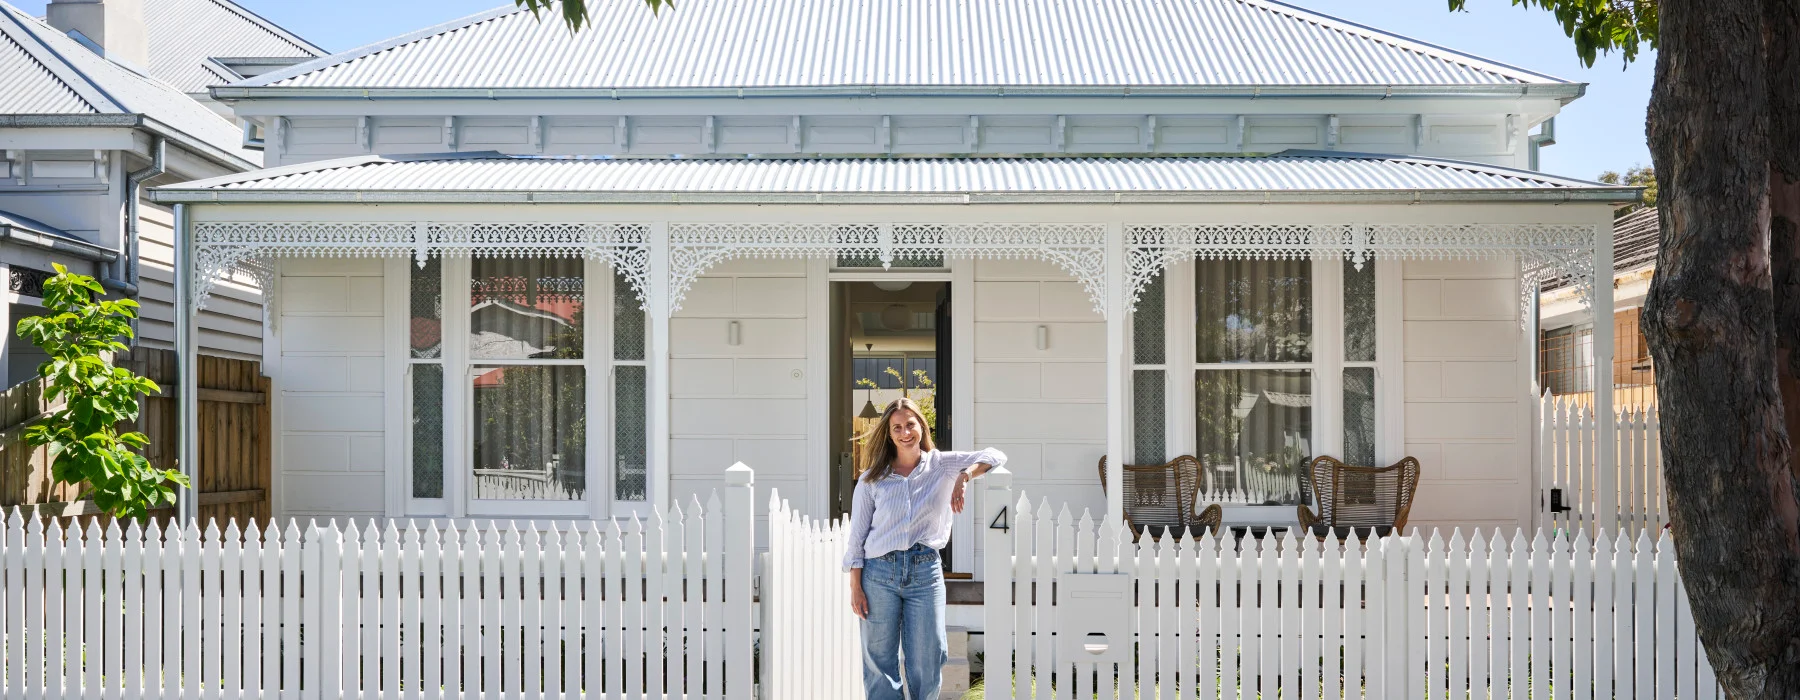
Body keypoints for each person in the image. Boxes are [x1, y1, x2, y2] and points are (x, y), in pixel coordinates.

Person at [843, 397, 1005, 700]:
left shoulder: (942, 464)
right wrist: (855, 585)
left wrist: (964, 475)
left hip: (924, 571)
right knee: (879, 661)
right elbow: (857, 536)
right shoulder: (871, 478)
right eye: (897, 428)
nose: (905, 433)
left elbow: (995, 455)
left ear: (921, 426)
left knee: (928, 658)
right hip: (878, 574)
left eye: (910, 425)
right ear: (889, 434)